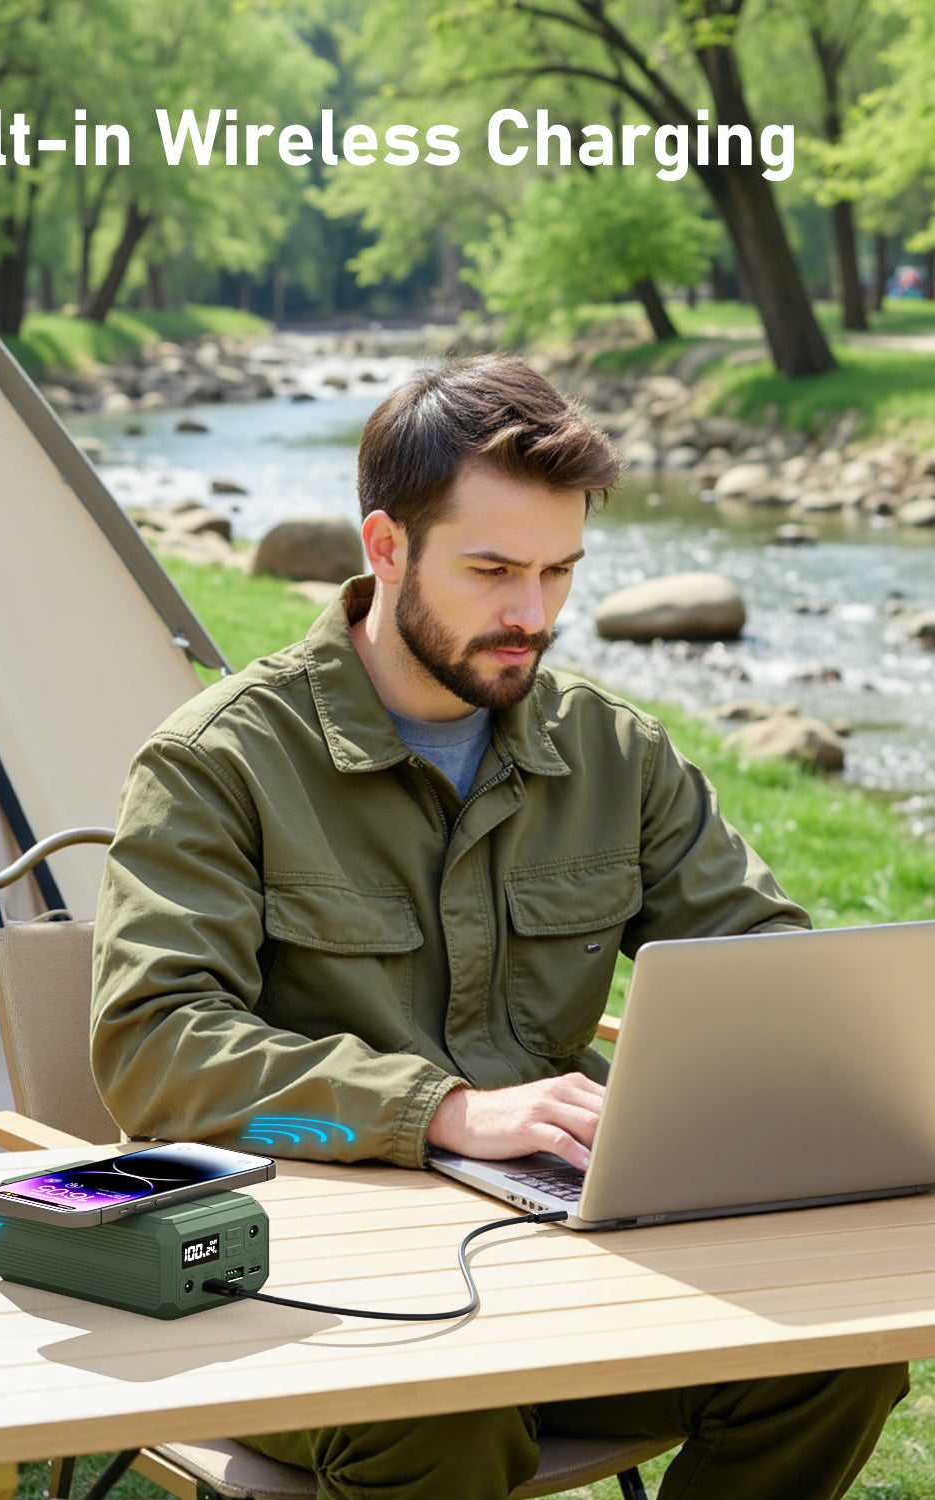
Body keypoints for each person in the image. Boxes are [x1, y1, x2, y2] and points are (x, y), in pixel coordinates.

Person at [91, 355, 907, 1500]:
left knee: (835, 1359)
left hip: (566, 1274)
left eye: (561, 572)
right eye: (492, 570)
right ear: (384, 546)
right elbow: (154, 1050)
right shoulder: (216, 763)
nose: (534, 615)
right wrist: (448, 1112)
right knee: (448, 1425)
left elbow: (770, 978)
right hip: (310, 1300)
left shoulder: (616, 755)